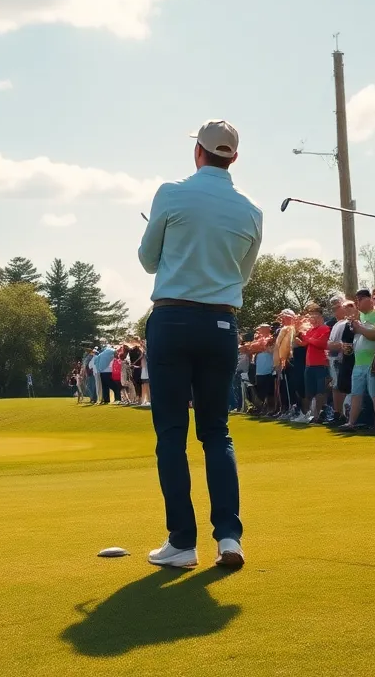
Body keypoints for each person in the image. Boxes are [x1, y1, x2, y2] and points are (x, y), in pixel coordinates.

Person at [138, 119, 262, 569]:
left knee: (172, 434)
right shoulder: (251, 209)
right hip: (222, 327)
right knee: (216, 433)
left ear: (198, 152)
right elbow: (240, 276)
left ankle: (182, 543)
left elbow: (148, 259)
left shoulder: (171, 193)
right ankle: (229, 538)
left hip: (172, 319)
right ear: (234, 157)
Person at [340, 289, 375, 431]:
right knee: (356, 393)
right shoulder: (360, 316)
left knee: (374, 393)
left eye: (360, 299)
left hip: (372, 360)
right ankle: (351, 422)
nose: (357, 302)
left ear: (369, 299)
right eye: (357, 299)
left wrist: (359, 328)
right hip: (358, 361)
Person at [300, 304, 333, 422]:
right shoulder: (311, 330)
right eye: (311, 315)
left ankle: (318, 415)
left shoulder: (324, 328)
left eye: (314, 315)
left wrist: (308, 338)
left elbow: (321, 343)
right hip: (309, 365)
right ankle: (308, 414)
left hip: (320, 364)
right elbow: (303, 343)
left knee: (320, 391)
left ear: (320, 317)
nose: (312, 318)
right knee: (309, 392)